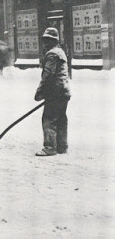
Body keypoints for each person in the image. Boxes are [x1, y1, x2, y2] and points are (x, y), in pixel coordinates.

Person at [34, 27, 71, 157]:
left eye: (46, 41)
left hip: (55, 93)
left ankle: (50, 147)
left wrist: (39, 92)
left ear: (52, 41)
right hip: (64, 92)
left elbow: (48, 75)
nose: (44, 44)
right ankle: (62, 146)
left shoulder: (52, 54)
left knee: (49, 118)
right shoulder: (61, 52)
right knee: (60, 118)